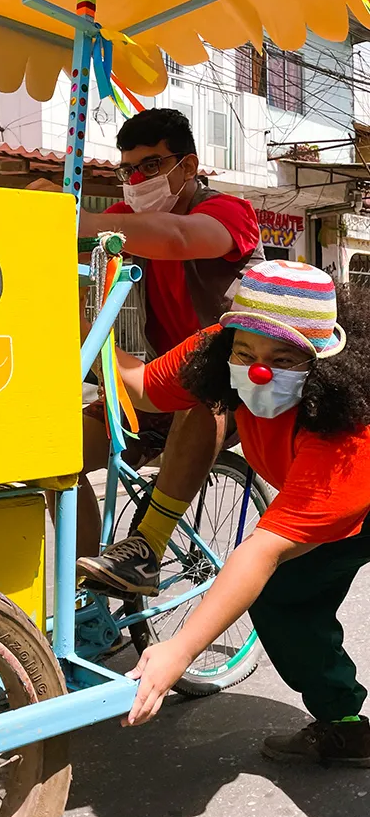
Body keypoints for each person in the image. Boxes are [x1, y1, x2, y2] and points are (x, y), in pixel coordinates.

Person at [81, 259, 370, 766]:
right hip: (324, 502)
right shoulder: (219, 349)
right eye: (247, 352)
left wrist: (180, 651)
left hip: (354, 490)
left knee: (270, 574)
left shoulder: (348, 438)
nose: (258, 370)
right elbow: (145, 385)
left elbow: (260, 550)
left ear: (324, 364)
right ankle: (346, 725)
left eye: (284, 358)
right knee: (282, 599)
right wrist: (74, 325)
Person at [34, 107, 263, 593]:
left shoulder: (229, 212)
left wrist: (76, 218)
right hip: (163, 380)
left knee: (203, 400)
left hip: (237, 382)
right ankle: (87, 594)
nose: (136, 180)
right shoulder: (129, 219)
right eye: (127, 170)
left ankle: (148, 547)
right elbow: (73, 241)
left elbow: (178, 239)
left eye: (150, 166)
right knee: (54, 454)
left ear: (188, 166)